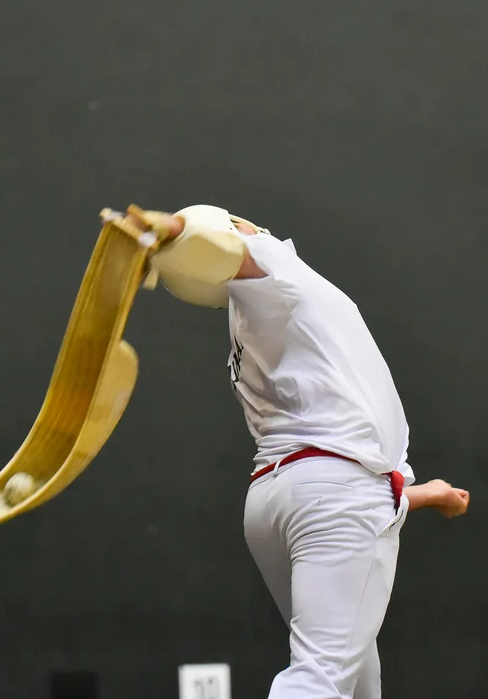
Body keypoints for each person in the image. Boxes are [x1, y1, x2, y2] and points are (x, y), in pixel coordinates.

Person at [126, 204, 470, 699]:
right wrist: (168, 229)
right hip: (330, 494)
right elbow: (215, 241)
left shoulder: (248, 323)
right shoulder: (272, 265)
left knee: (357, 683)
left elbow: (330, 466)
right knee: (321, 678)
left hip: (280, 496)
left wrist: (425, 494)